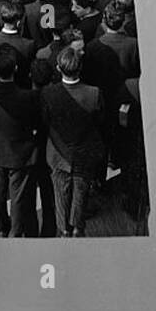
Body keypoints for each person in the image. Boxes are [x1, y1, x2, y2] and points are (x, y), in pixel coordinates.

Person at [39, 45, 105, 236]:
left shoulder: (48, 94)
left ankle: (64, 230)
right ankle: (77, 228)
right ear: (80, 67)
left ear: (59, 68)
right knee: (81, 195)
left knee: (60, 195)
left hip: (59, 156)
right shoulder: (94, 93)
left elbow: (45, 122)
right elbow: (100, 120)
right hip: (84, 154)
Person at [0, 45, 40, 237]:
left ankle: (1, 227)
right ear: (15, 69)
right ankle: (16, 230)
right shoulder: (27, 97)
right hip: (20, 154)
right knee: (18, 197)